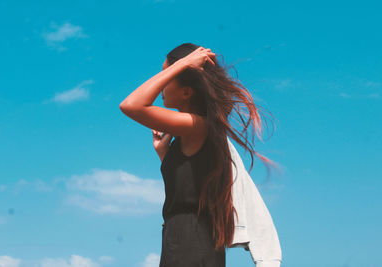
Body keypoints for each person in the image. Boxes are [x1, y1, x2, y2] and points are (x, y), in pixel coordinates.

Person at [120, 43, 281, 267]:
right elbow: (188, 187)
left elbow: (131, 105)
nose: (162, 84)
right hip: (184, 244)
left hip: (190, 246)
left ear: (187, 92)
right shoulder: (194, 131)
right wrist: (164, 152)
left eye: (167, 76)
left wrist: (183, 63)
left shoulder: (198, 125)